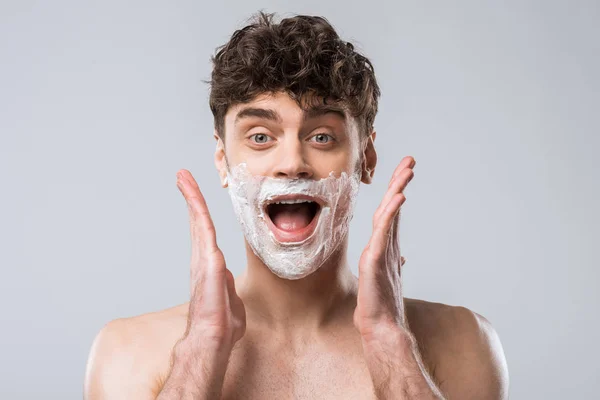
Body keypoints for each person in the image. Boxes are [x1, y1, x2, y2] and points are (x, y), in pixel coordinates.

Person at [84, 11, 509, 400]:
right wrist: (202, 347)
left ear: (366, 158)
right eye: (260, 137)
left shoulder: (463, 342)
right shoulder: (128, 352)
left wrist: (388, 343)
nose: (292, 164)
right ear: (223, 161)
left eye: (322, 136)